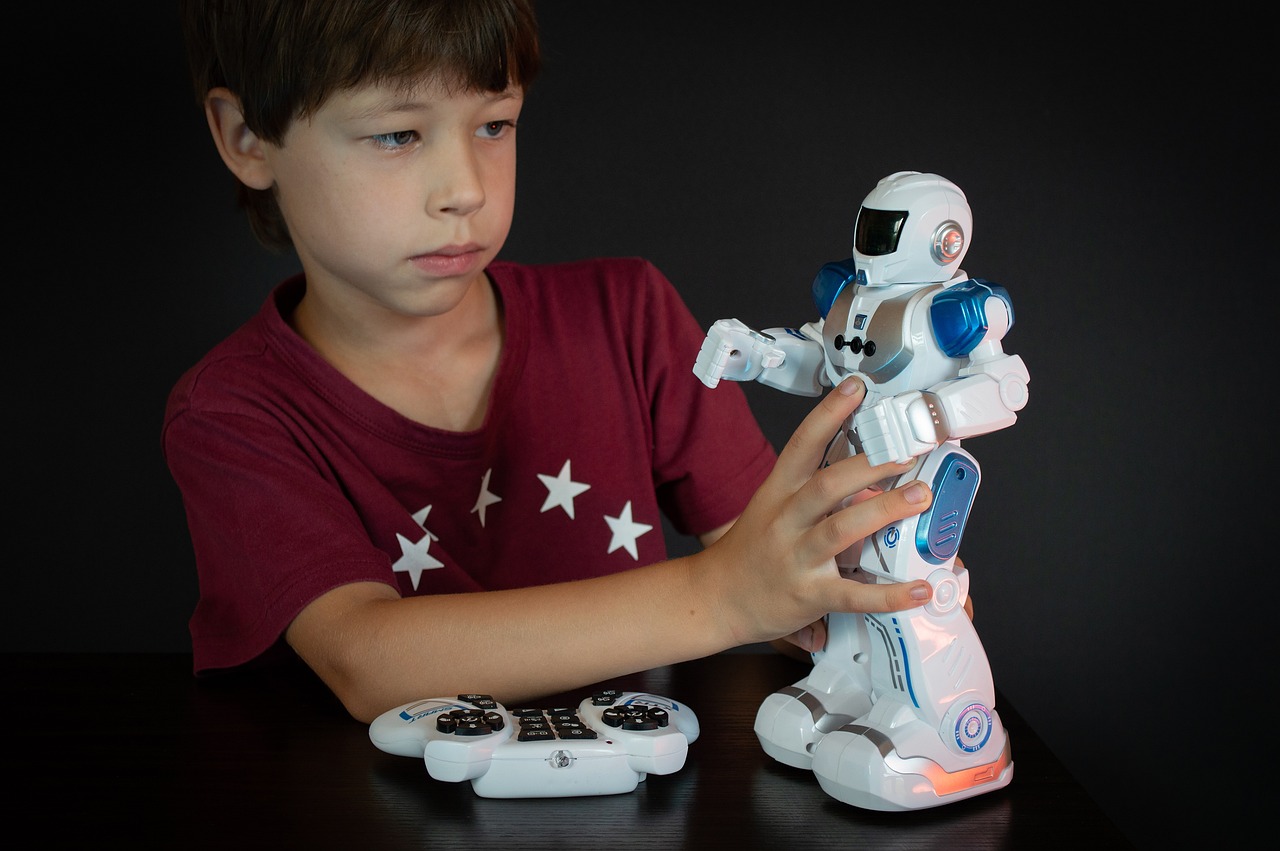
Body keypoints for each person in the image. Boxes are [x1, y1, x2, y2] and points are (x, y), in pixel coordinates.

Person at [164, 0, 939, 724]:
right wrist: (724, 597)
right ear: (245, 138)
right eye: (397, 135)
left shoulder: (625, 314)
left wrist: (865, 594)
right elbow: (366, 658)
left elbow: (775, 576)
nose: (464, 188)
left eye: (494, 125)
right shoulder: (235, 412)